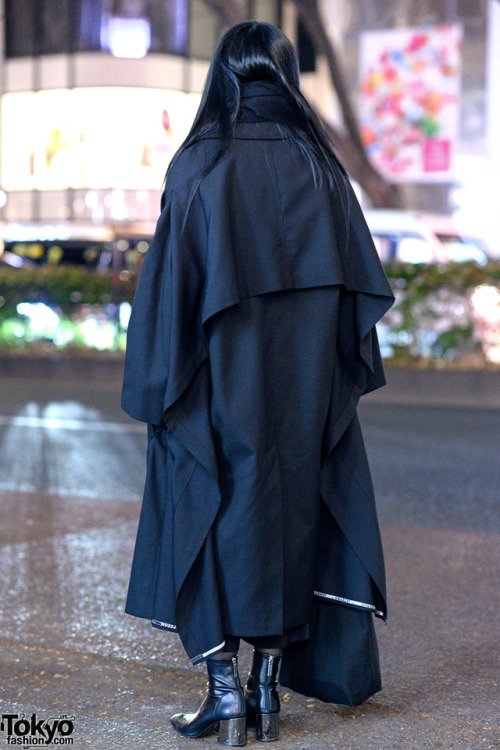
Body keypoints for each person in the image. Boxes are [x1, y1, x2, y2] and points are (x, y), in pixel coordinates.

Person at [121, 20, 394, 747]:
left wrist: (158, 388)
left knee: (209, 506)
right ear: (284, 75)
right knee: (294, 513)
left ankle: (224, 694)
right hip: (305, 392)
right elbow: (355, 307)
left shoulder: (201, 167)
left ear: (224, 76)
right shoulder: (323, 173)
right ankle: (267, 691)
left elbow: (169, 300)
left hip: (218, 385)